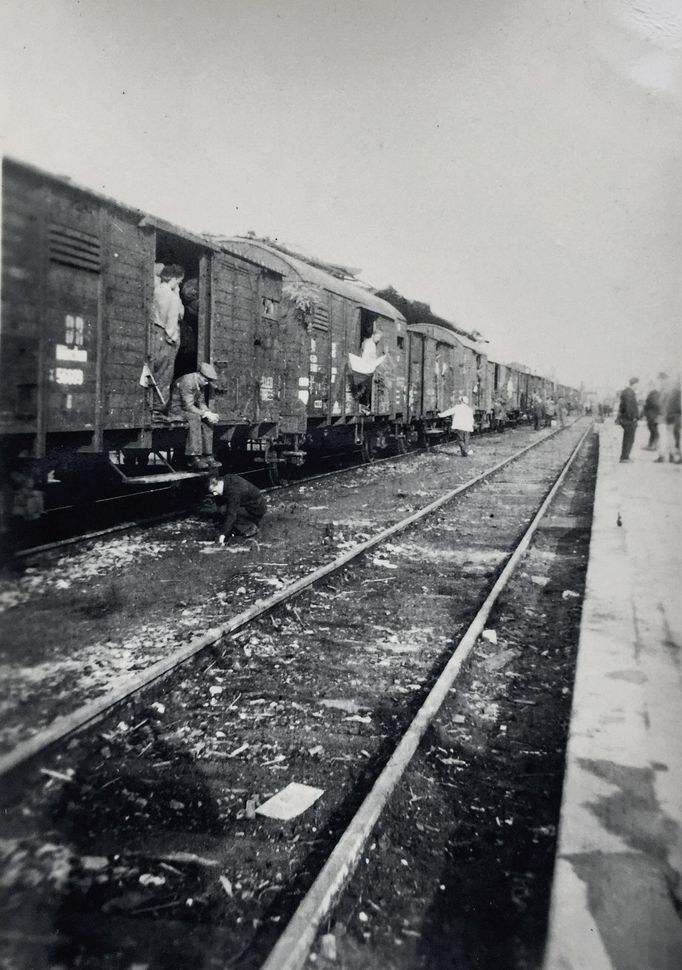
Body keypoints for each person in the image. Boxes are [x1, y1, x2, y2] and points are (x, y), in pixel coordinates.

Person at [167, 362, 221, 471]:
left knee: (207, 420)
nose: (206, 384)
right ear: (199, 375)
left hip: (186, 408)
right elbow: (188, 406)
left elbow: (201, 402)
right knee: (194, 418)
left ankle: (208, 456)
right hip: (176, 409)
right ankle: (194, 457)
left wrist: (209, 414)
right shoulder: (187, 381)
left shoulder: (199, 383)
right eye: (205, 380)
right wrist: (204, 413)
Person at [151, 264, 185, 408]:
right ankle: (159, 408)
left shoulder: (155, 291)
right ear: (175, 278)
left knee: (152, 371)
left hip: (153, 332)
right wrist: (173, 339)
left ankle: (150, 406)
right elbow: (176, 318)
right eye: (180, 281)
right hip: (165, 337)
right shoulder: (173, 297)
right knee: (164, 374)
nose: (180, 284)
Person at [208, 473, 267, 540]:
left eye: (214, 490)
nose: (214, 494)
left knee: (225, 511)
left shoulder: (234, 492)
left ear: (219, 483)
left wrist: (223, 534)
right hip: (252, 503)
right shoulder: (227, 479)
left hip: (256, 509)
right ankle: (239, 524)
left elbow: (231, 514)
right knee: (223, 510)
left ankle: (250, 527)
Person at [617, 377, 639, 462]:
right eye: (638, 385)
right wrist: (632, 417)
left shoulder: (627, 392)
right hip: (629, 420)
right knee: (629, 439)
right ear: (635, 384)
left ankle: (625, 456)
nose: (638, 386)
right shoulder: (629, 393)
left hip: (626, 419)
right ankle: (624, 457)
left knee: (628, 438)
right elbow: (629, 406)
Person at [665, 378, 681, 463]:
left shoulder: (671, 392)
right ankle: (675, 455)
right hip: (676, 417)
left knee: (671, 436)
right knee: (676, 436)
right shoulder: (678, 392)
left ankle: (672, 454)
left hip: (671, 417)